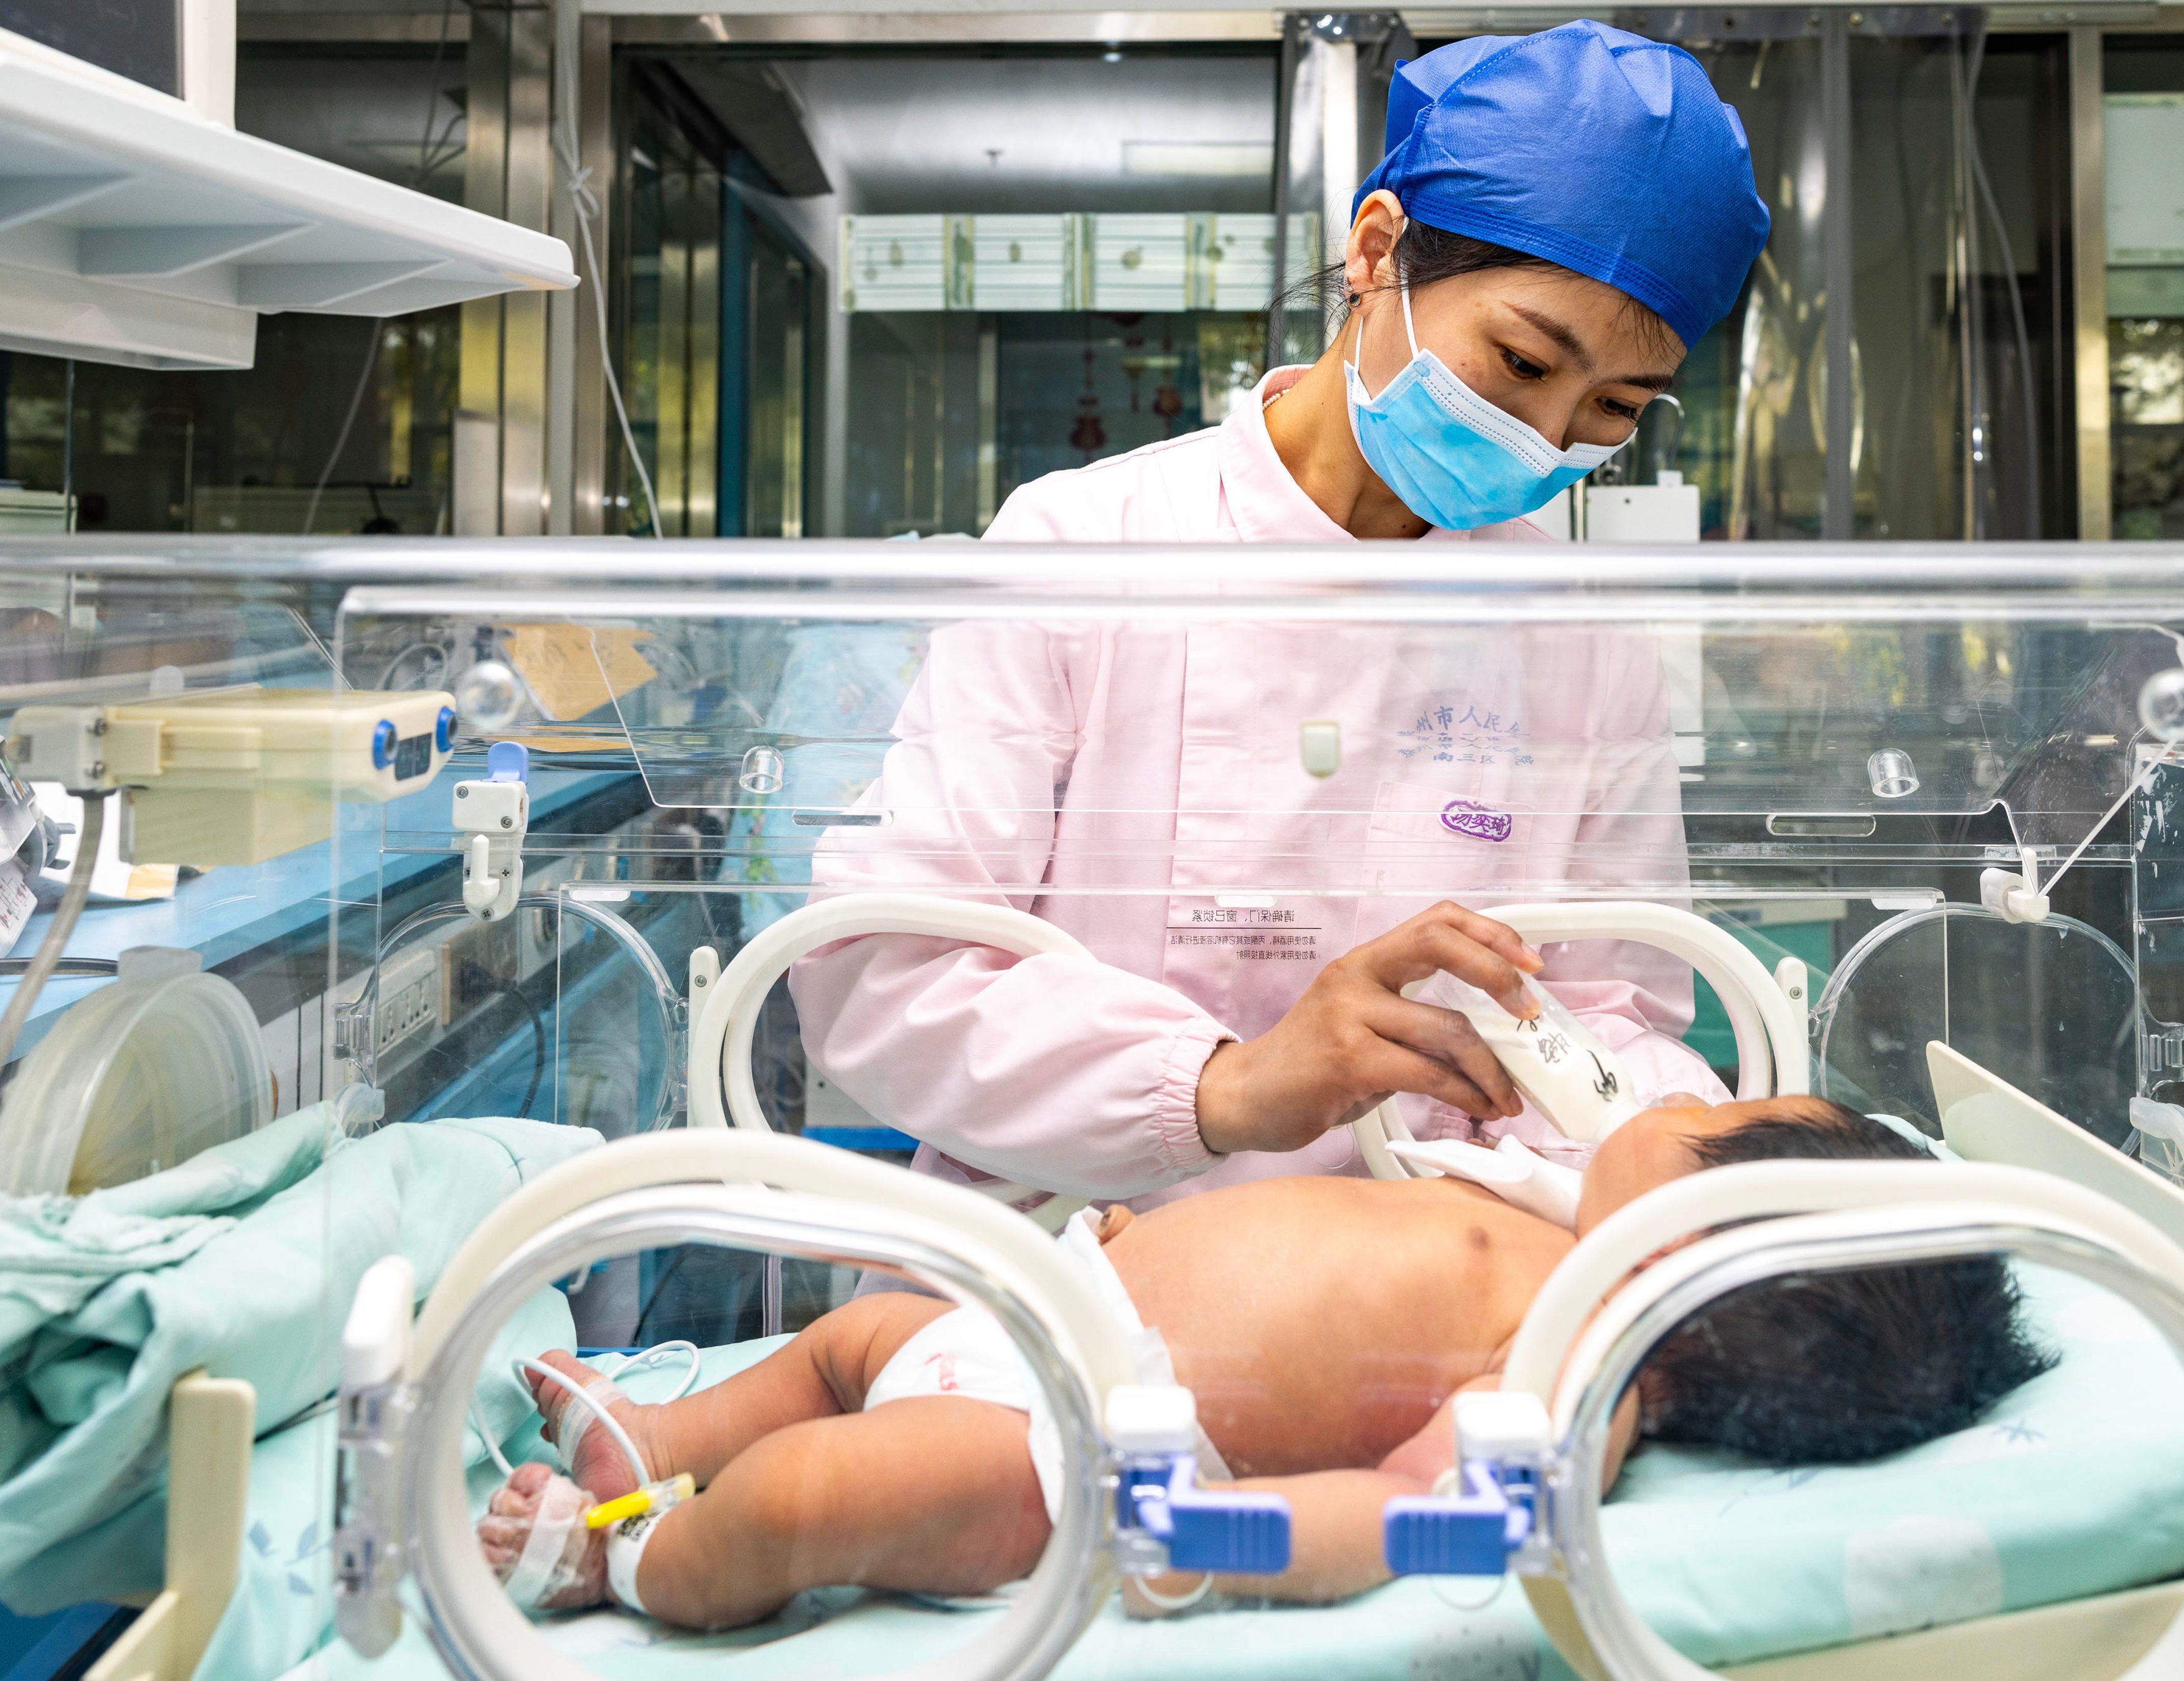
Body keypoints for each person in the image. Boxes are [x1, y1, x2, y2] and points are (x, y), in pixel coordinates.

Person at [790, 21, 1776, 1207]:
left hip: (1415, 1273)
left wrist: (1683, 1152)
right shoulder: (1092, 545)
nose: (1548, 437)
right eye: (1521, 364)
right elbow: (884, 965)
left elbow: (1607, 1009)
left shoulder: (1578, 640)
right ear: (1377, 250)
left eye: (1616, 406)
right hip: (1071, 1252)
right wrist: (1225, 1087)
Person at [477, 1097, 2051, 1627]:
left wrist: (1200, 1530)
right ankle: (661, 1431)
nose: (1675, 1102)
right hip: (1042, 1310)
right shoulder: (1550, 1222)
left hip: (1066, 1452)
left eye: (1705, 1128)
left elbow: (1432, 1518)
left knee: (819, 1490)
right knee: (845, 1340)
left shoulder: (1575, 1375)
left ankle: (633, 1568)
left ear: (1705, 1230)